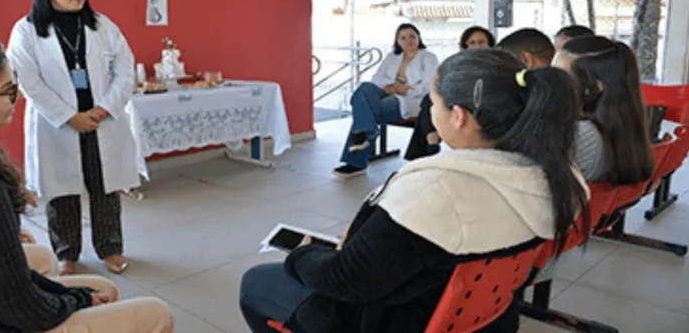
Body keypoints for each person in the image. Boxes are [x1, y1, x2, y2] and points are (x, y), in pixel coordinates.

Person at [241, 48, 590, 333]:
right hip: (485, 318)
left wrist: (301, 256)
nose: (429, 111)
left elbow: (346, 281)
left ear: (458, 116)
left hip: (397, 321)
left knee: (255, 283)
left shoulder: (437, 190)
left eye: (432, 104)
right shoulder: (555, 177)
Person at [0, 31, 174, 333]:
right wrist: (76, 300)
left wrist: (71, 296)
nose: (19, 96)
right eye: (7, 89)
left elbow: (2, 274)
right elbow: (19, 310)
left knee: (98, 286)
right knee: (156, 312)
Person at [7, 0, 139, 275]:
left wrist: (104, 108)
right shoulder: (26, 30)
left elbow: (125, 69)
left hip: (101, 120)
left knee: (104, 186)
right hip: (58, 125)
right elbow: (26, 80)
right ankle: (66, 252)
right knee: (61, 190)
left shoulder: (102, 25)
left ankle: (110, 248)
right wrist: (68, 116)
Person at [333, 23, 439, 178]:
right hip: (387, 93)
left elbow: (430, 84)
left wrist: (406, 89)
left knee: (368, 109)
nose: (408, 40)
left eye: (412, 36)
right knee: (364, 88)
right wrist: (390, 88)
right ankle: (366, 132)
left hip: (410, 100)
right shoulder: (392, 57)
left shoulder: (428, 57)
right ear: (397, 41)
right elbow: (377, 79)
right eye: (403, 38)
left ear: (418, 38)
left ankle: (357, 157)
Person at [553, 36, 653, 184]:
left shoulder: (582, 134)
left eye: (558, 77)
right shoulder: (619, 134)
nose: (547, 81)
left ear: (593, 88)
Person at [405, 25, 495, 160]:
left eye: (481, 42)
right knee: (429, 100)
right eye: (472, 43)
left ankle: (426, 150)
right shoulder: (459, 63)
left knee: (430, 104)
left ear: (489, 44)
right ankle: (432, 142)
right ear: (465, 46)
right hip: (459, 96)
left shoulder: (496, 63)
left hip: (481, 99)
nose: (477, 46)